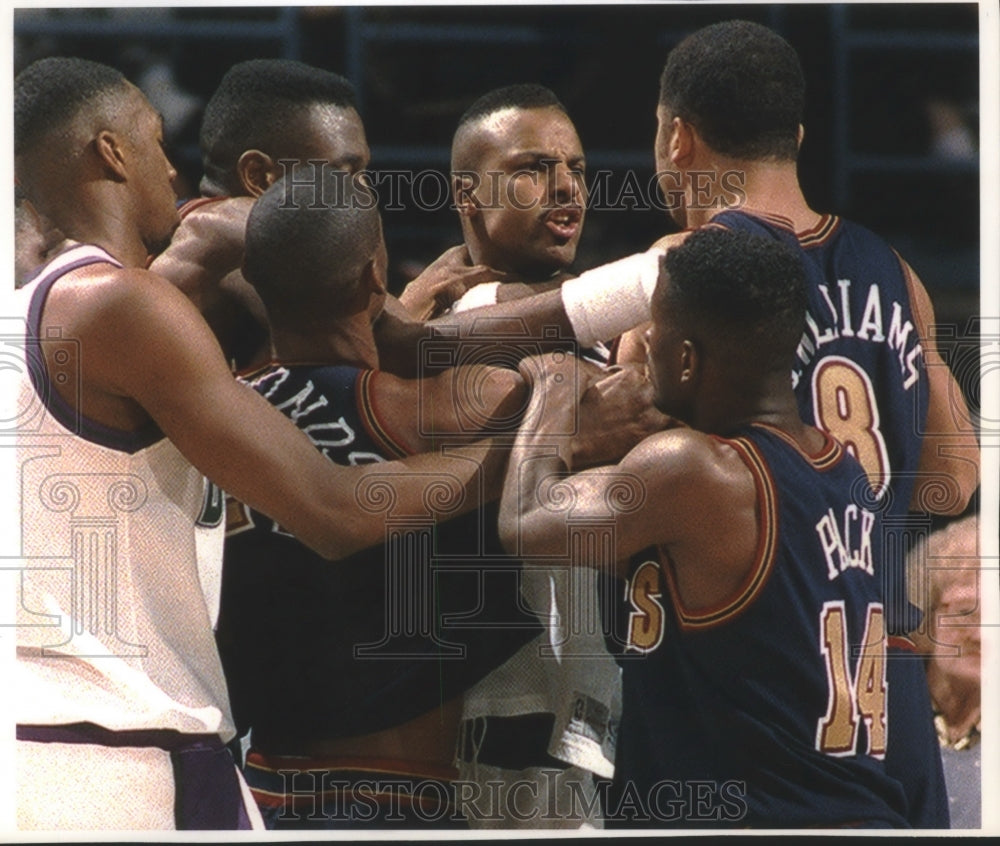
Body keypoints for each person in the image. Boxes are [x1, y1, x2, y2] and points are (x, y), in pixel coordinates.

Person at [12, 56, 513, 831]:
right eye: (152, 140)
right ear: (110, 154)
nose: (170, 166)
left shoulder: (29, 311)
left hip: (51, 741)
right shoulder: (123, 302)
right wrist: (512, 457)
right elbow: (332, 509)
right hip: (118, 750)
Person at [610, 20, 979, 826]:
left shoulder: (687, 272)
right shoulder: (897, 272)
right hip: (880, 685)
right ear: (799, 136)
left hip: (748, 677)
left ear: (678, 138)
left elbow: (615, 440)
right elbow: (953, 483)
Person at [500, 227, 940, 828]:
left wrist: (552, 386)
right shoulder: (843, 470)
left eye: (653, 334)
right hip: (854, 806)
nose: (643, 347)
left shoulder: (696, 470)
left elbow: (526, 520)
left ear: (685, 357)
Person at [217, 168, 558, 829]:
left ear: (254, 281)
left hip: (262, 791)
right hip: (394, 794)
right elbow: (583, 404)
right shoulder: (428, 407)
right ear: (377, 278)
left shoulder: (226, 421)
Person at [399, 84, 586, 321]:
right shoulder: (428, 335)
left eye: (577, 170)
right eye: (533, 168)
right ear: (466, 196)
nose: (568, 186)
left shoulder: (617, 321)